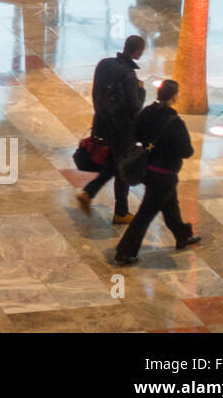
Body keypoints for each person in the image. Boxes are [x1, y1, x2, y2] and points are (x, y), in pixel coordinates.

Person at [114, 80, 200, 265]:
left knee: (170, 206)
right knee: (145, 215)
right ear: (175, 97)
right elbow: (187, 151)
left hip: (148, 171)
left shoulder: (147, 113)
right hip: (165, 175)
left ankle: (183, 235)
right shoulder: (175, 122)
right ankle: (125, 251)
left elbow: (135, 134)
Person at [77, 34, 147, 224]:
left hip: (102, 123)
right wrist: (141, 90)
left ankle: (89, 193)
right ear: (138, 52)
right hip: (122, 130)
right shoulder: (129, 75)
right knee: (123, 166)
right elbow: (135, 107)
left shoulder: (104, 64)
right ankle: (121, 212)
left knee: (113, 165)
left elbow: (96, 92)